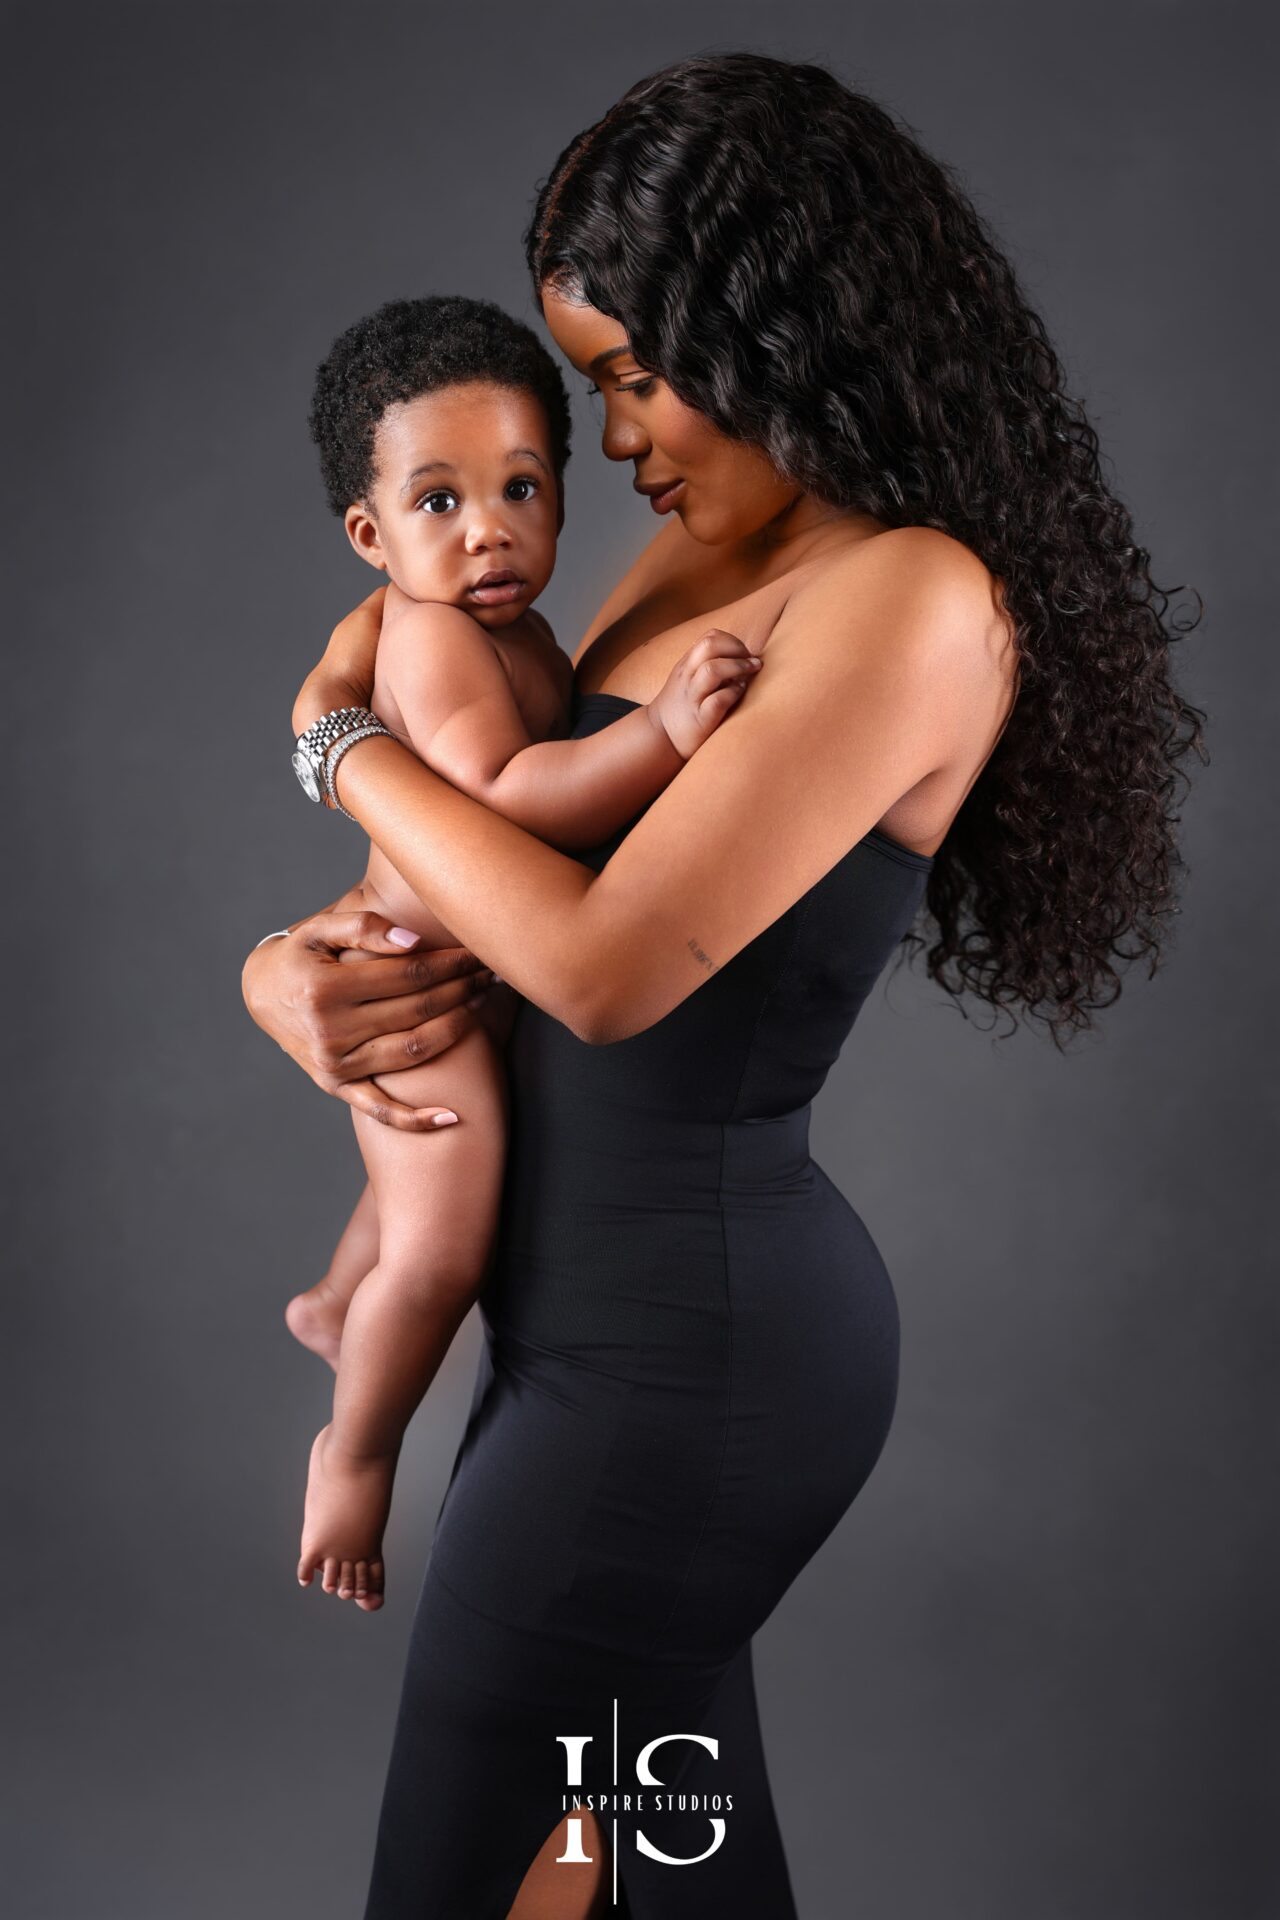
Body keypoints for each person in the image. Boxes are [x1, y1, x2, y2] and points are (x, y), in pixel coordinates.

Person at [241, 52, 1205, 1920]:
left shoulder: (908, 597)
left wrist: (328, 743)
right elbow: (496, 844)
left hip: (686, 1371)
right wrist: (289, 969)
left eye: (632, 372)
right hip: (596, 1342)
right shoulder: (699, 566)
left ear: (783, 328)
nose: (608, 443)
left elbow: (597, 968)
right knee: (653, 1870)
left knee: (467, 1874)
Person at [285, 294, 761, 1607]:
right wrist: (657, 740)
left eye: (520, 486)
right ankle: (357, 1453)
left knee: (410, 1202)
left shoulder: (520, 630)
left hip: (478, 978)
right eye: (440, 502)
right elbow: (499, 788)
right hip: (423, 997)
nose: (491, 525)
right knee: (441, 1249)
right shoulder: (432, 637)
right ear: (373, 538)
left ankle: (335, 1302)